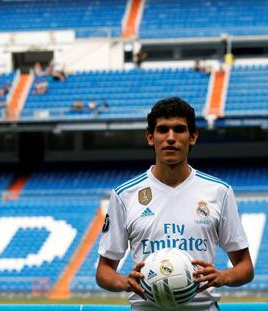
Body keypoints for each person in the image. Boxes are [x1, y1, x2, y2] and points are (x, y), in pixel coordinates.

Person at [96, 97, 253, 310]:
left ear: (193, 137)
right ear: (150, 137)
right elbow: (104, 271)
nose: (171, 138)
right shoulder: (124, 195)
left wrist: (223, 276)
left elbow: (245, 268)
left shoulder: (219, 192)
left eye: (179, 129)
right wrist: (124, 282)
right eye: (163, 130)